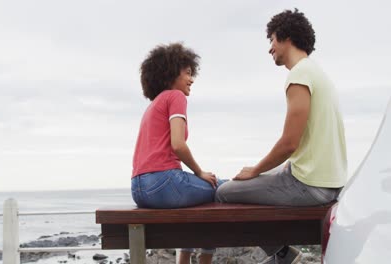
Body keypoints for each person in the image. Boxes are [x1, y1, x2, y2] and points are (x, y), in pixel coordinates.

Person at [215, 9, 348, 264]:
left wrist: (255, 170)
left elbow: (289, 142)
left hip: (310, 186)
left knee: (224, 193)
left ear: (287, 37)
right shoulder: (318, 74)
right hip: (329, 182)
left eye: (272, 40)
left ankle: (283, 254)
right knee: (249, 186)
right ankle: (282, 255)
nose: (270, 48)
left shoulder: (299, 75)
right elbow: (311, 138)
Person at [131, 43, 222, 264]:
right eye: (188, 73)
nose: (192, 80)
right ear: (171, 72)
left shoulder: (153, 105)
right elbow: (178, 145)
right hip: (164, 182)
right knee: (222, 188)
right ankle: (279, 250)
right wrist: (199, 172)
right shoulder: (176, 97)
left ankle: (183, 261)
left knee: (200, 208)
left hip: (139, 189)